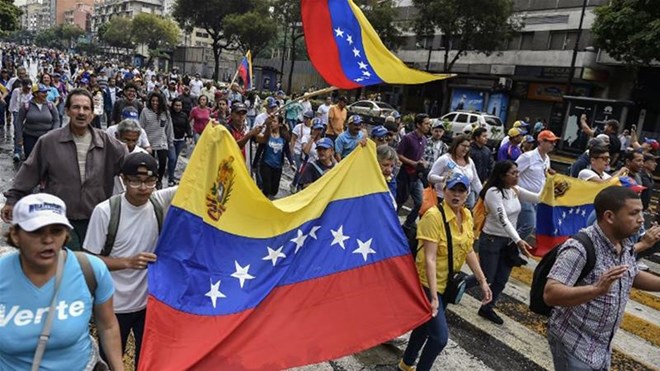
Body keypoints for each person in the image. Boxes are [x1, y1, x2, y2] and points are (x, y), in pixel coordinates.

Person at [0, 193, 124, 371]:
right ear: (15, 235)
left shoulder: (89, 269)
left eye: (56, 231)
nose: (48, 240)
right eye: (36, 231)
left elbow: (108, 326)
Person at [544, 186, 660, 371]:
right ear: (609, 216)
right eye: (634, 213)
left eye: (642, 213)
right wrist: (596, 289)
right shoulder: (579, 247)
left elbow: (631, 274)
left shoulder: (624, 242)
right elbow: (551, 293)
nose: (641, 220)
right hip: (574, 344)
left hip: (601, 347)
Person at [2, 89, 127, 250]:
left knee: (91, 266)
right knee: (65, 266)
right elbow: (30, 171)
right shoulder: (49, 142)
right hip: (59, 219)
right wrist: (12, 199)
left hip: (96, 219)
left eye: (86, 108)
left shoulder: (108, 143)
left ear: (92, 113)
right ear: (67, 111)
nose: (81, 112)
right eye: (76, 107)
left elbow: (132, 165)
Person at [84, 153, 177, 369]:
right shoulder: (106, 211)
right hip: (114, 306)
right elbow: (89, 261)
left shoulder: (158, 202)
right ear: (123, 180)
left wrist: (215, 137)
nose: (143, 187)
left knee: (147, 359)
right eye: (135, 181)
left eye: (150, 181)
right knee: (112, 360)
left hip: (148, 304)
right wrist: (127, 262)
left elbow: (196, 179)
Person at [399, 173, 492, 371]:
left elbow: (468, 249)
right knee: (440, 338)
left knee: (425, 326)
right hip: (427, 283)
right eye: (452, 190)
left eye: (461, 190)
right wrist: (433, 296)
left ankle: (406, 364)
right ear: (445, 191)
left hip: (446, 282)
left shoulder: (467, 215)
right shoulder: (433, 216)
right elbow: (430, 258)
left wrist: (482, 281)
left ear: (467, 193)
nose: (456, 195)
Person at [476, 161, 539, 324]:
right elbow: (503, 219)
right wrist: (519, 240)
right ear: (502, 175)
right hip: (491, 240)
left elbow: (538, 198)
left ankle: (487, 307)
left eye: (518, 172)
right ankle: (456, 284)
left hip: (508, 243)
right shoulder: (493, 192)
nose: (517, 176)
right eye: (514, 173)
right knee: (486, 276)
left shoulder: (514, 190)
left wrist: (559, 190)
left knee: (501, 279)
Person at [515, 130, 559, 241]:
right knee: (529, 225)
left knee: (521, 224)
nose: (553, 144)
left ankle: (512, 247)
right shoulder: (527, 157)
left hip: (538, 198)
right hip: (523, 196)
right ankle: (512, 246)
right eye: (550, 142)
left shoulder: (546, 159)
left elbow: (544, 174)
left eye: (554, 142)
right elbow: (513, 172)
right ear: (540, 141)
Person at [397, 114, 430, 230]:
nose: (428, 126)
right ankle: (391, 221)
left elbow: (420, 156)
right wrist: (412, 163)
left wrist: (422, 162)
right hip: (405, 174)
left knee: (420, 202)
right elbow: (399, 155)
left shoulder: (425, 139)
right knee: (400, 200)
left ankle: (409, 222)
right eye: (426, 124)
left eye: (429, 124)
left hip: (417, 176)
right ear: (418, 125)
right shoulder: (408, 138)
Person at [428, 135, 483, 207]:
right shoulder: (445, 159)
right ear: (456, 145)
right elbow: (430, 176)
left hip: (462, 201)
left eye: (468, 146)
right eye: (463, 145)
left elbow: (475, 181)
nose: (466, 149)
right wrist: (443, 179)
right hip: (443, 199)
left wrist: (483, 195)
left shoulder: (470, 161)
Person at [15, 83, 60, 158]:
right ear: (35, 94)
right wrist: (19, 138)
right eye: (43, 92)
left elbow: (56, 120)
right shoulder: (26, 105)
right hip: (29, 137)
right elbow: (19, 122)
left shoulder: (50, 105)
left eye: (46, 92)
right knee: (30, 159)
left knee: (46, 160)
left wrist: (53, 133)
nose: (45, 94)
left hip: (46, 138)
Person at [139, 91, 173, 189]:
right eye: (153, 101)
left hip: (162, 142)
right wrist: (141, 142)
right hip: (149, 143)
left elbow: (169, 128)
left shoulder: (165, 113)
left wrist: (170, 142)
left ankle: (159, 180)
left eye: (157, 101)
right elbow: (141, 127)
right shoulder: (145, 111)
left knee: (162, 163)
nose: (155, 103)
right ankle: (151, 179)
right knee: (150, 164)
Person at [254, 116, 294, 199]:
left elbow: (287, 151)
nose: (272, 123)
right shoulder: (266, 136)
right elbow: (259, 151)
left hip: (278, 166)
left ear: (279, 124)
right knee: (266, 188)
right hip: (266, 164)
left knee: (274, 190)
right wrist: (254, 164)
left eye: (274, 121)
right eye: (271, 121)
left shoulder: (283, 138)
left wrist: (291, 162)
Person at [168, 98, 192, 186]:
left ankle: (171, 175)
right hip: (171, 140)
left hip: (180, 140)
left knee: (175, 159)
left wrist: (189, 135)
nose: (178, 107)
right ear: (173, 105)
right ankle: (170, 178)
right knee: (172, 158)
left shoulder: (184, 115)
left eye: (179, 106)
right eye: (176, 105)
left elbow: (187, 126)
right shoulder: (169, 115)